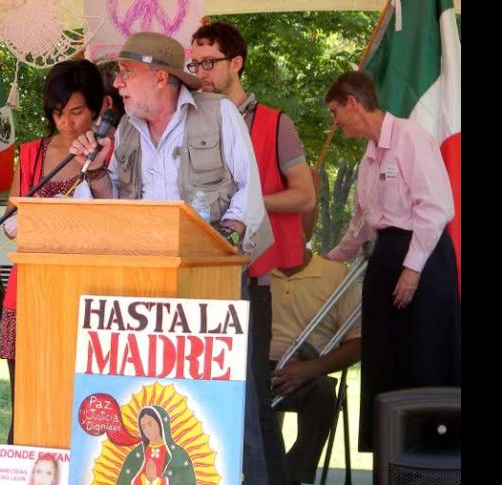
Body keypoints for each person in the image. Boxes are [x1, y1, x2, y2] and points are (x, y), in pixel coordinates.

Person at [70, 31, 271, 483]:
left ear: (160, 77)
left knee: (236, 408)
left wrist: (219, 247)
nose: (117, 83)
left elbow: (249, 196)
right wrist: (98, 170)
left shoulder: (218, 114)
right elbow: (113, 208)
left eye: (126, 73)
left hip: (213, 287)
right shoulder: (123, 130)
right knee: (147, 397)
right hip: (145, 292)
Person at [189, 21, 316, 485]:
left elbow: (305, 196)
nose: (199, 71)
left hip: (251, 277)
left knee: (253, 399)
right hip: (197, 279)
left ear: (235, 63)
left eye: (209, 62)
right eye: (194, 63)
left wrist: (248, 202)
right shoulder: (188, 117)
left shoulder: (276, 123)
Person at [323, 71, 461, 452]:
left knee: (425, 356)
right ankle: (391, 453)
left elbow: (435, 209)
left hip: (425, 258)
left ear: (352, 102)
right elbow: (364, 222)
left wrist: (413, 269)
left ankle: (435, 454)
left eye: (336, 112)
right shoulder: (369, 154)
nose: (336, 122)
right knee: (385, 358)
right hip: (386, 257)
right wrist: (331, 259)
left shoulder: (411, 137)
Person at [0, 58, 105, 443]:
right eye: (59, 113)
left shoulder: (114, 152)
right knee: (27, 407)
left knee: (81, 409)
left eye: (77, 112)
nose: (67, 123)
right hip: (30, 294)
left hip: (88, 295)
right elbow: (10, 221)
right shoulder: (31, 154)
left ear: (98, 107)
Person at [269, 231, 362, 485]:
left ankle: (290, 474)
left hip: (311, 365)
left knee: (323, 394)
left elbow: (357, 343)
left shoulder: (335, 274)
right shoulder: (260, 271)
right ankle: (262, 469)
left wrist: (311, 368)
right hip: (262, 367)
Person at [117, 406, 196, 484]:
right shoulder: (136, 455)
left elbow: (185, 480)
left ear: (160, 424)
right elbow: (125, 480)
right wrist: (146, 480)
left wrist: (156, 481)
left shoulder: (177, 454)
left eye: (150, 424)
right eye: (143, 427)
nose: (147, 430)